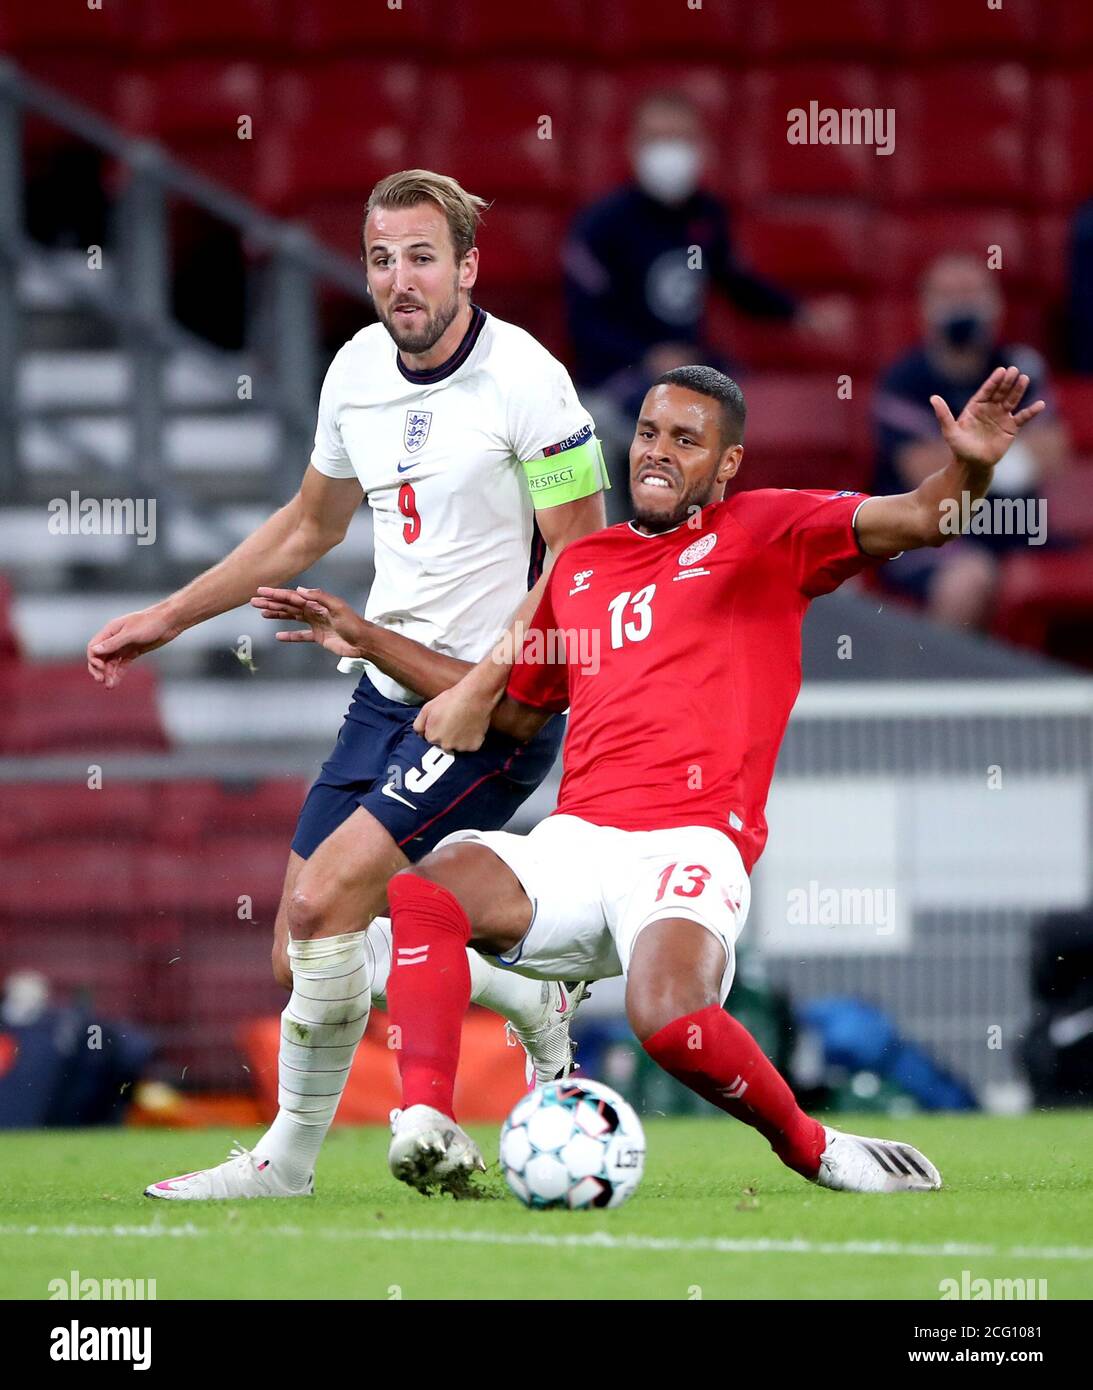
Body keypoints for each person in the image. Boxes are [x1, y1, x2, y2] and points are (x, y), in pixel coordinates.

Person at [287, 361, 1042, 1195]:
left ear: (725, 466)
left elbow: (924, 516)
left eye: (686, 440)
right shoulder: (580, 568)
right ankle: (426, 1121)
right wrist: (368, 637)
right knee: (425, 894)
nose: (657, 452)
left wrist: (970, 466)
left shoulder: (764, 530)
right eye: (648, 432)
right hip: (578, 842)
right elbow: (507, 715)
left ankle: (811, 1147)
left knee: (662, 1015)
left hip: (691, 839)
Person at [85, 169, 608, 1200]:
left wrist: (481, 689)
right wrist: (167, 615)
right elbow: (308, 526)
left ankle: (286, 1164)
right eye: (380, 258)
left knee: (327, 905)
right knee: (298, 956)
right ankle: (522, 990)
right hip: (382, 691)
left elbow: (577, 564)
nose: (399, 279)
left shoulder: (530, 385)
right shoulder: (358, 370)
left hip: (487, 702)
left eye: (421, 256)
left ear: (466, 266)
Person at [564, 90, 841, 517]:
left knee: (749, 410)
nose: (669, 152)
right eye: (658, 139)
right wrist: (646, 356)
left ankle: (734, 541)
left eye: (680, 139)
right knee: (601, 433)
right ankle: (615, 545)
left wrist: (797, 313)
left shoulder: (706, 215)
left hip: (692, 371)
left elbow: (734, 280)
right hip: (618, 377)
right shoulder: (602, 226)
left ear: (701, 149)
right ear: (635, 148)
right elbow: (585, 323)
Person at [872, 253, 1068, 628]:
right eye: (949, 295)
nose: (962, 305)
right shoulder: (903, 381)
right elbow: (923, 468)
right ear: (924, 308)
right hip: (933, 532)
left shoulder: (1020, 366)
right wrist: (1011, 456)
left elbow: (1054, 452)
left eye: (973, 293)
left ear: (996, 305)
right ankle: (937, 684)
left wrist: (972, 456)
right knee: (967, 581)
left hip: (1014, 526)